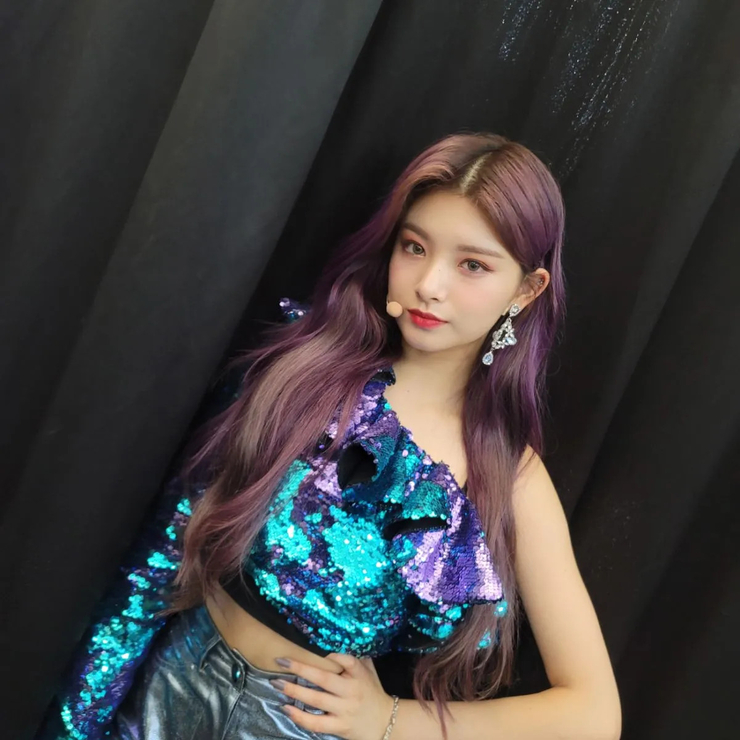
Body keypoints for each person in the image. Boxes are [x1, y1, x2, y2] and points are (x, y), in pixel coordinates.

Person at [36, 132, 621, 740]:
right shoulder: (300, 375)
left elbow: (593, 714)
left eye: (472, 264)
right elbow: (155, 569)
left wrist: (391, 720)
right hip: (169, 689)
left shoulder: (508, 475)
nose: (430, 284)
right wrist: (76, 726)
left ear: (525, 290)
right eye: (415, 247)